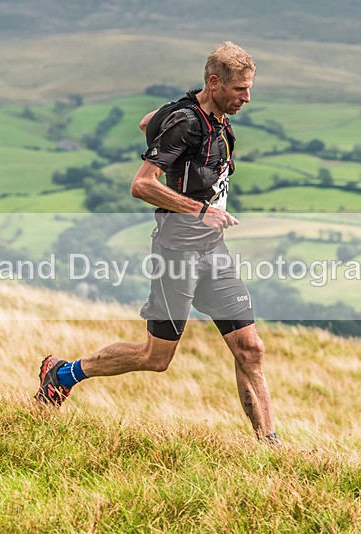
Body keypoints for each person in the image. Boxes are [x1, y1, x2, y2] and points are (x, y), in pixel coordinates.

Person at [36, 42, 278, 444]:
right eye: (240, 89)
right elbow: (141, 184)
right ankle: (62, 373)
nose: (247, 98)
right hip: (176, 253)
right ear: (215, 83)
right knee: (156, 357)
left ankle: (269, 447)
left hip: (212, 251)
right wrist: (201, 212)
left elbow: (147, 120)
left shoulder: (213, 119)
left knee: (250, 349)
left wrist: (170, 117)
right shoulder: (187, 122)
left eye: (250, 88)